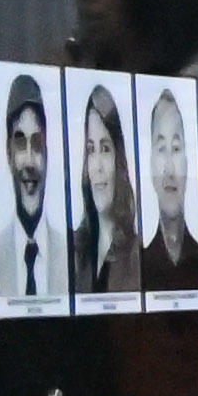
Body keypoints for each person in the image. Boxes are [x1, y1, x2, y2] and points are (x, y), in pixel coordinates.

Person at [135, 77, 198, 296]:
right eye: (161, 149)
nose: (169, 169)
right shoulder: (138, 266)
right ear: (149, 163)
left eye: (176, 148)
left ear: (189, 161)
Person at [68, 82, 130, 300]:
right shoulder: (75, 249)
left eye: (105, 149)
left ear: (119, 159)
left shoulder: (136, 253)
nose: (97, 166)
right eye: (90, 150)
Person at [1, 75, 48, 305]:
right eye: (20, 142)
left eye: (37, 143)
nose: (30, 161)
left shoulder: (74, 255)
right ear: (8, 154)